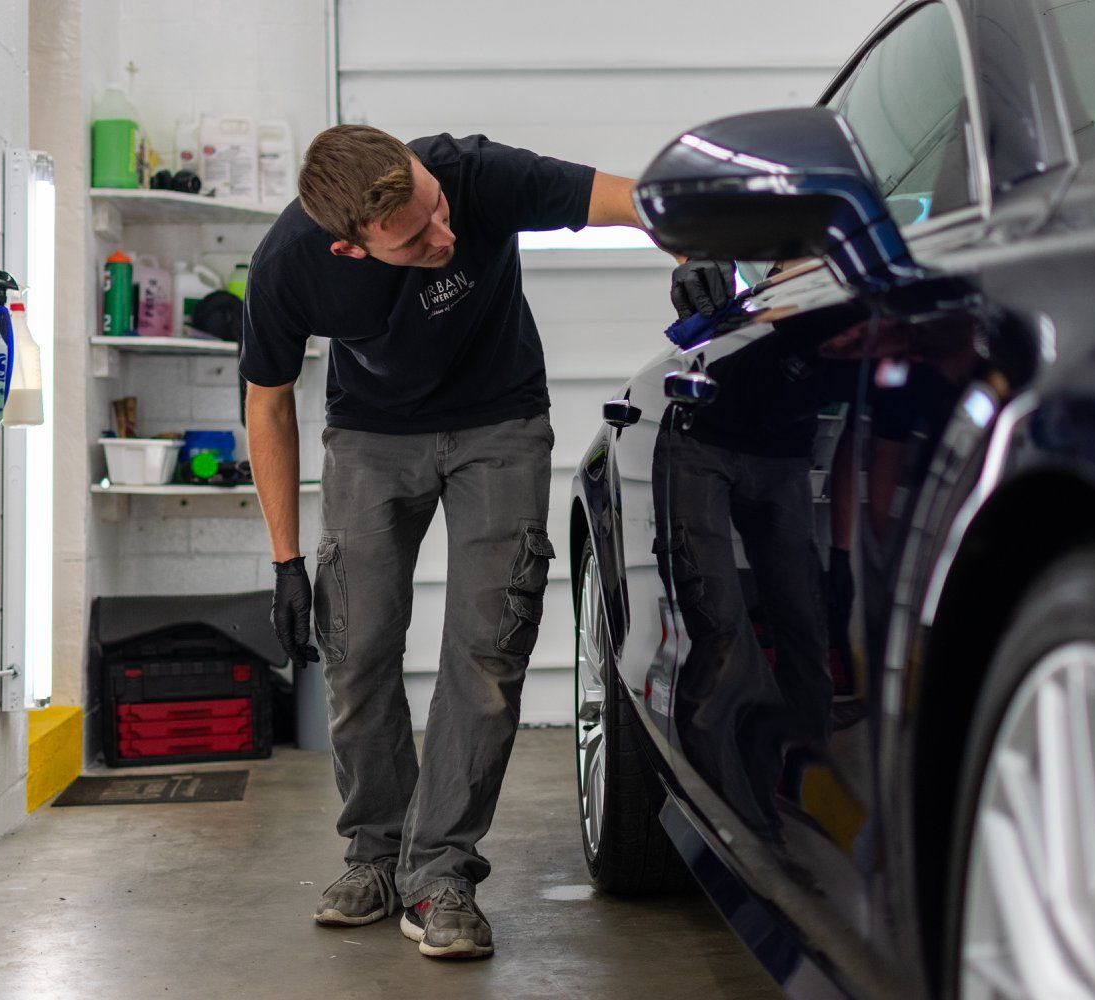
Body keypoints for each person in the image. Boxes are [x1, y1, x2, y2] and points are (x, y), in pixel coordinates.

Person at [239, 124, 732, 960]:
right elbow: (268, 403)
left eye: (436, 207)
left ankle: (441, 875)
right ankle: (375, 857)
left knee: (488, 649)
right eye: (415, 237)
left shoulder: (476, 176)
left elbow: (629, 196)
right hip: (368, 437)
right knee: (355, 648)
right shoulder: (287, 266)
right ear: (350, 247)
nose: (446, 234)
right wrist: (286, 560)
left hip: (499, 423)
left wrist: (689, 251)